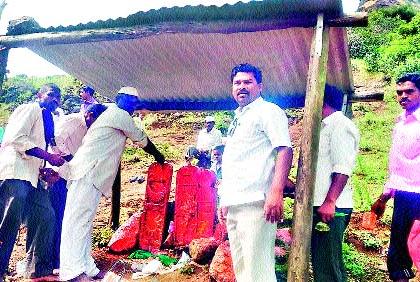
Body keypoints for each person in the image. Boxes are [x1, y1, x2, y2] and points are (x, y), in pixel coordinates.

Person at [58, 86, 165, 281]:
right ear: (119, 100)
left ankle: (86, 267)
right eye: (130, 102)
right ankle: (71, 272)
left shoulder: (116, 115)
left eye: (135, 103)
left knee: (85, 223)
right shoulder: (119, 114)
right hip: (86, 173)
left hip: (92, 175)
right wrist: (159, 156)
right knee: (76, 223)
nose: (133, 106)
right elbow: (141, 139)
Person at [217, 63, 292, 282]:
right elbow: (236, 161)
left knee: (258, 271)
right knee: (243, 270)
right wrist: (224, 200)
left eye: (248, 82)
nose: (242, 87)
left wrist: (276, 192)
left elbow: (284, 149)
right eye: (237, 83)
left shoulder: (268, 111)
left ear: (260, 86)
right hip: (235, 203)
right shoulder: (239, 117)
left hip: (257, 204)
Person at [32, 104, 107, 277]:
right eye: (96, 120)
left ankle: (63, 261)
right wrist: (72, 160)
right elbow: (55, 140)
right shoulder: (74, 120)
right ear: (89, 114)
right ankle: (54, 262)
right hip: (58, 174)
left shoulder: (89, 129)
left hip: (70, 177)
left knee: (68, 219)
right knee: (59, 218)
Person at [0, 84, 66, 280]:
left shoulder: (48, 118)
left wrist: (44, 169)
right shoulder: (29, 108)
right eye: (52, 95)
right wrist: (49, 156)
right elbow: (17, 139)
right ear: (40, 95)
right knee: (8, 222)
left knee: (46, 215)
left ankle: (38, 270)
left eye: (59, 97)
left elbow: (34, 150)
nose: (56, 99)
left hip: (32, 176)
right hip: (14, 171)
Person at [371, 73, 420, 282]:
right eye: (399, 92)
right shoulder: (400, 124)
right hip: (404, 196)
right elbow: (397, 166)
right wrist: (385, 197)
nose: (403, 96)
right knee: (399, 255)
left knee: (415, 247)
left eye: (409, 91)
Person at [310, 85, 360, 282]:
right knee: (327, 265)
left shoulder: (339, 125)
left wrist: (330, 201)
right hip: (323, 204)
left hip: (331, 207)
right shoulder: (325, 127)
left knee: (327, 270)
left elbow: (342, 167)